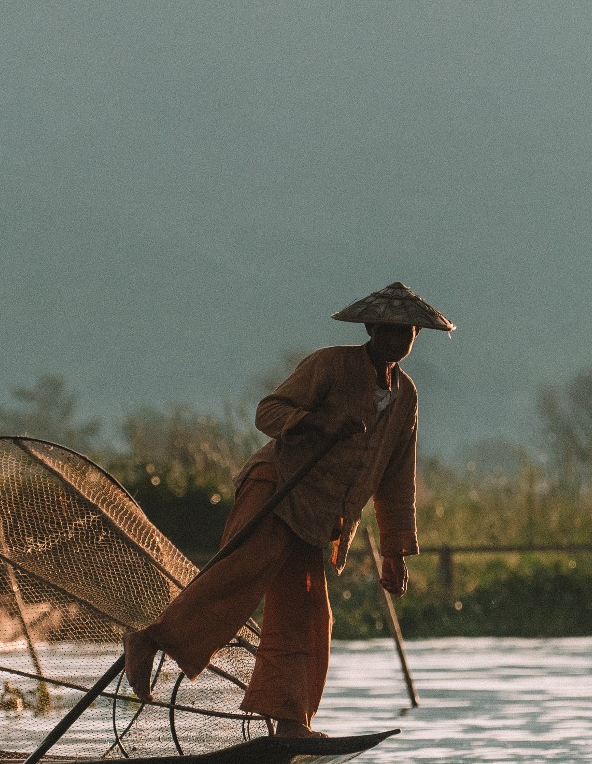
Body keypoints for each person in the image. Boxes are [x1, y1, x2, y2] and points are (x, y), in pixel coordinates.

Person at [125, 282, 453, 738]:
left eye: (408, 333)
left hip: (319, 515)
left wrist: (394, 552)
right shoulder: (331, 365)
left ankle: (288, 718)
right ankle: (150, 639)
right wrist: (318, 423)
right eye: (390, 331)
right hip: (277, 488)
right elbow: (269, 412)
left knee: (308, 615)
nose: (399, 341)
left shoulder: (406, 396)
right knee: (240, 574)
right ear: (371, 328)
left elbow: (396, 477)